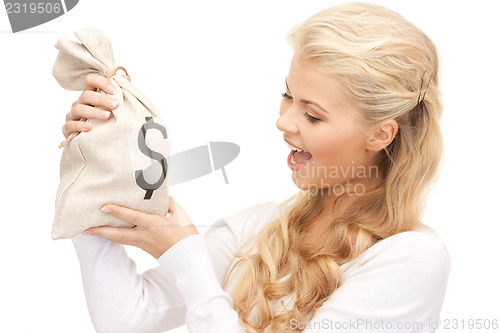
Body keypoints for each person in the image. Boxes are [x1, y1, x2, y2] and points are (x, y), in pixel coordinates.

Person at [64, 3, 450, 332]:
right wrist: (95, 165)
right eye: (287, 96)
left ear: (381, 134)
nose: (283, 122)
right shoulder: (258, 227)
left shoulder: (411, 258)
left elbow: (186, 273)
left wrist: (185, 255)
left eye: (313, 116)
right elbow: (128, 317)